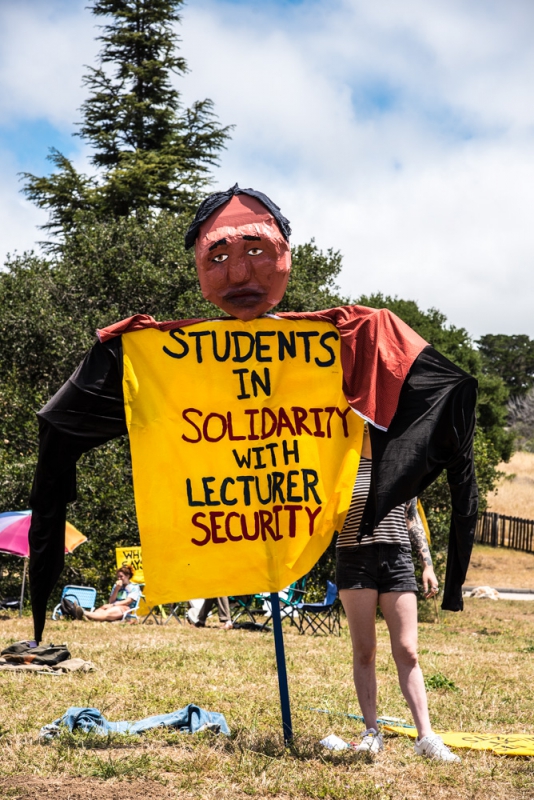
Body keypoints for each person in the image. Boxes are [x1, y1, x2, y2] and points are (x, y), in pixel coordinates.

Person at [29, 185, 478, 644]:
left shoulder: (353, 340)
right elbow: (59, 425)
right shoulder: (148, 356)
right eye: (218, 258)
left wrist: (450, 571)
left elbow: (451, 392)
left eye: (258, 250)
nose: (240, 272)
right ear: (199, 269)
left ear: (285, 254)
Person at [337, 423, 460, 761]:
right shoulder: (339, 458)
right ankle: (371, 731)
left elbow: (411, 515)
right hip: (354, 556)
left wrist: (427, 564)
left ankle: (426, 737)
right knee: (365, 650)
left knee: (408, 650)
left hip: (397, 556)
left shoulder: (402, 458)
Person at [61, 565, 141, 622]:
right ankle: (81, 615)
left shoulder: (134, 587)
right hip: (113, 605)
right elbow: (111, 600)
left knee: (106, 613)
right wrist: (116, 589)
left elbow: (128, 601)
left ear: (128, 576)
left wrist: (113, 605)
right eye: (118, 577)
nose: (119, 578)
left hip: (125, 608)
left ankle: (82, 612)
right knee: (99, 611)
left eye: (121, 576)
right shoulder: (116, 586)